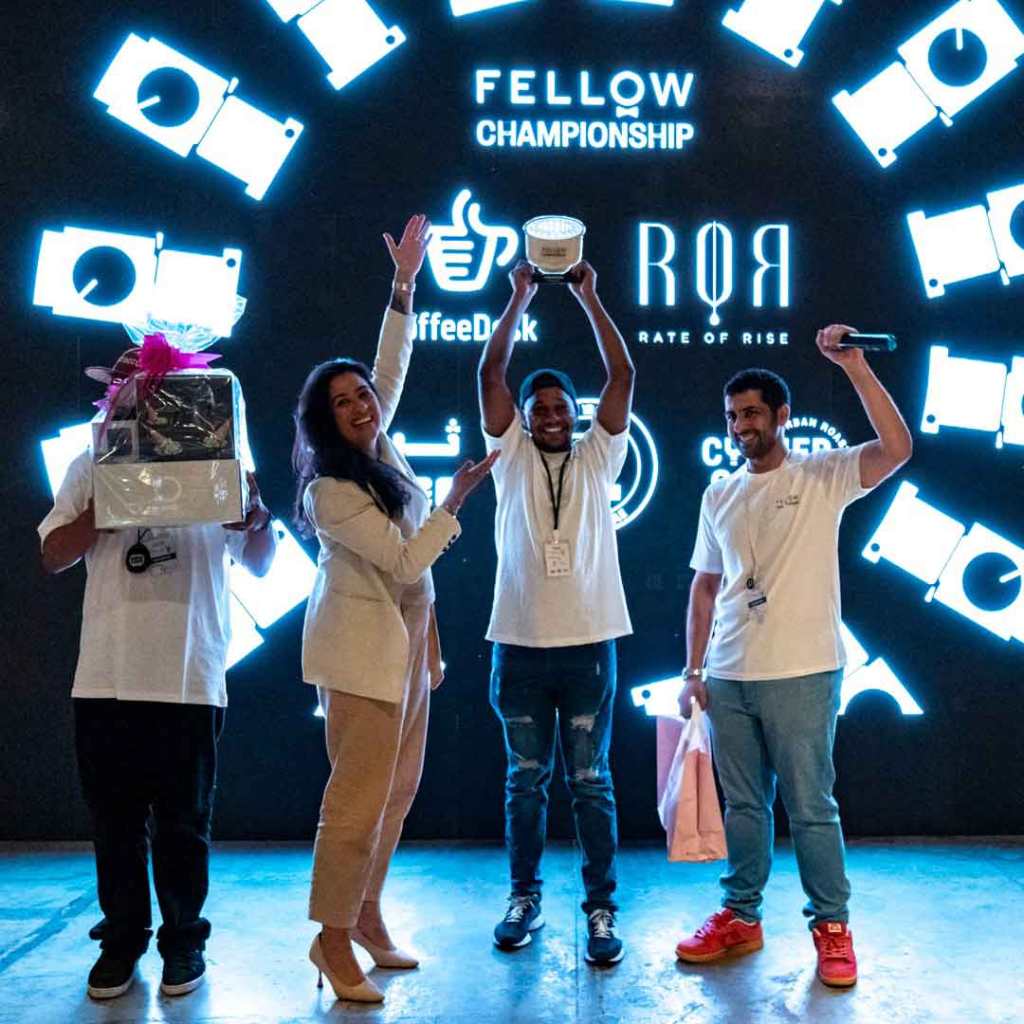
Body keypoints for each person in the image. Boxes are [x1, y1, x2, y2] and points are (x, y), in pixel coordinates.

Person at [294, 214, 499, 1004]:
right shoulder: (330, 488)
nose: (361, 406)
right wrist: (455, 500)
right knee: (354, 802)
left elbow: (391, 365)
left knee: (398, 791)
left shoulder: (379, 448)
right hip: (361, 655)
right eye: (343, 402)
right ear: (323, 418)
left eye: (363, 396)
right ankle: (330, 938)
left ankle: (368, 915)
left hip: (410, 644)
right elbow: (406, 560)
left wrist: (405, 286)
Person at [674, 326, 913, 988]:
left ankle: (832, 928)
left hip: (803, 671)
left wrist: (855, 366)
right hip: (728, 674)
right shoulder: (719, 493)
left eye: (752, 413)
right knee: (744, 808)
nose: (741, 426)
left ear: (781, 415)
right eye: (732, 416)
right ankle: (740, 916)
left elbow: (897, 449)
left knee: (811, 808)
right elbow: (704, 587)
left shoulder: (821, 474)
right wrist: (693, 671)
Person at [38, 374, 277, 1001]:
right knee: (113, 823)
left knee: (183, 825)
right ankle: (121, 942)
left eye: (162, 391)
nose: (148, 402)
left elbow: (258, 562)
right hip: (106, 675)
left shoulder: (221, 464)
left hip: (188, 673)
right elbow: (53, 552)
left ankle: (183, 941)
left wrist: (256, 517)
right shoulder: (88, 461)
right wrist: (109, 500)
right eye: (134, 390)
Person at [478, 258, 636, 965]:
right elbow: (491, 373)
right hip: (518, 645)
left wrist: (589, 296)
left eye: (558, 407)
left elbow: (622, 374)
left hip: (589, 646)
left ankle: (601, 909)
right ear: (524, 417)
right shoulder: (509, 454)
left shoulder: (600, 454)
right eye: (537, 408)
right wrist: (517, 298)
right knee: (524, 782)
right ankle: (525, 898)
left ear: (574, 412)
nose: (548, 416)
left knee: (591, 783)